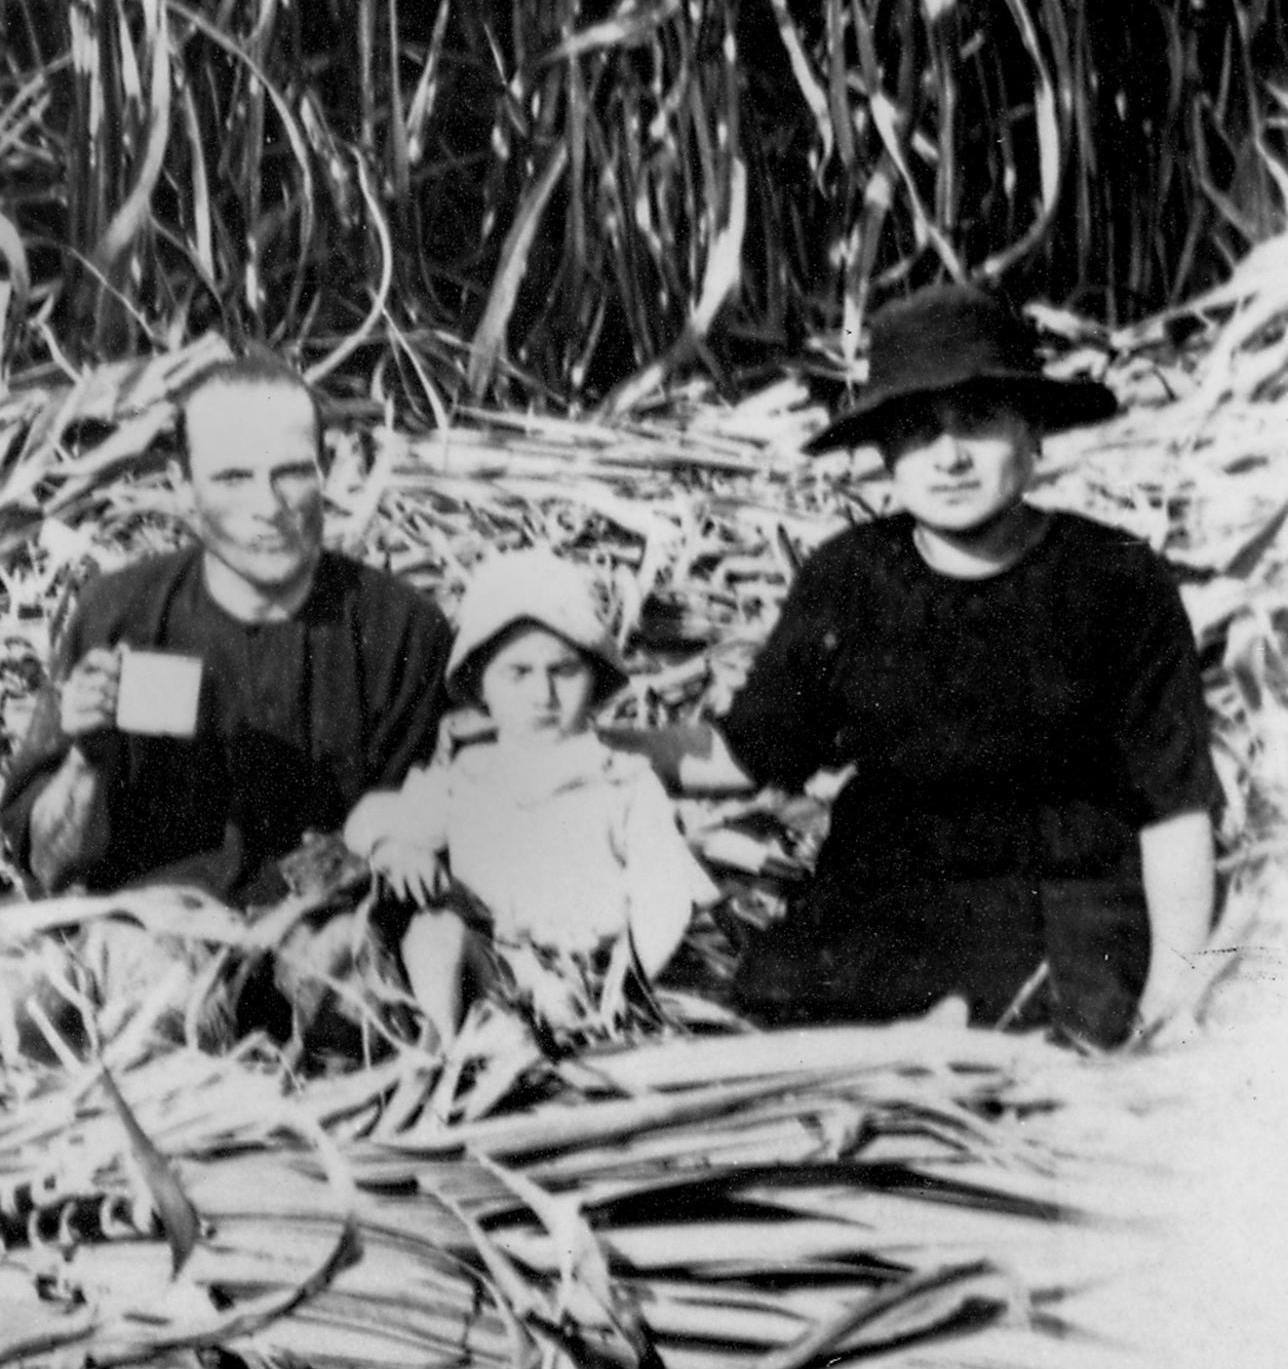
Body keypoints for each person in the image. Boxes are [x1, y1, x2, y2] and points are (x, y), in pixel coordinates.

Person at [647, 285, 1214, 1047]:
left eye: (976, 420)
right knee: (790, 1037)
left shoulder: (1115, 578)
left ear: (1034, 430)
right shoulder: (848, 576)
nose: (948, 456)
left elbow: (1174, 811)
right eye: (917, 431)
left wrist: (1175, 1001)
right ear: (887, 455)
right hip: (886, 903)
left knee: (1033, 1054)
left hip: (1061, 912)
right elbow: (748, 751)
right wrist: (580, 746)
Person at [6, 351, 452, 900]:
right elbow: (47, 866)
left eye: (291, 472)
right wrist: (86, 759)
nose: (268, 505)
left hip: (332, 923)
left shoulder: (402, 632)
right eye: (233, 478)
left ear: (327, 470)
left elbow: (441, 828)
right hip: (147, 926)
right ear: (183, 486)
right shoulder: (117, 616)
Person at [343, 551, 710, 1028]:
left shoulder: (622, 780)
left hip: (588, 976)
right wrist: (398, 848)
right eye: (517, 673)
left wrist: (628, 984)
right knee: (435, 934)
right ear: (481, 687)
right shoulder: (468, 775)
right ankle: (446, 1048)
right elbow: (367, 821)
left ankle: (570, 1033)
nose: (542, 696)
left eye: (563, 671)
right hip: (493, 973)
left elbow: (663, 894)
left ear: (595, 679)